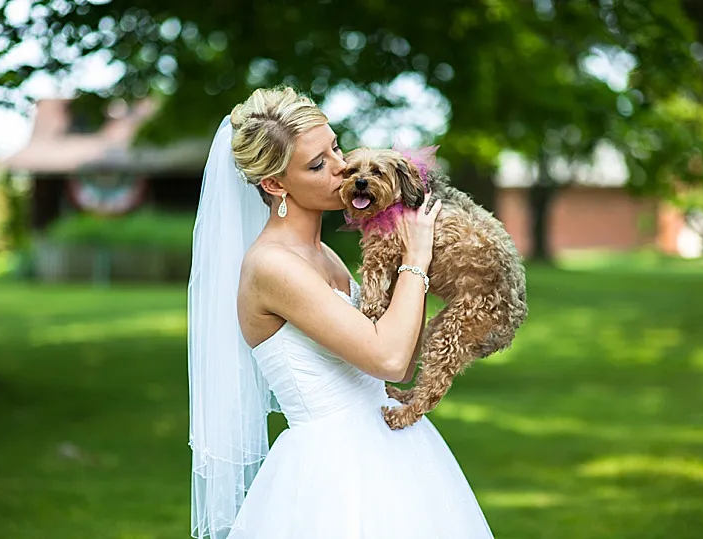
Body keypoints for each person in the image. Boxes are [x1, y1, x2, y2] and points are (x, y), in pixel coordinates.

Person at [188, 86, 495, 539]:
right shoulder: (273, 266)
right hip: (336, 473)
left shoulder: (326, 255)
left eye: (335, 146)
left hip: (397, 447)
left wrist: (423, 264)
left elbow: (401, 365)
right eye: (317, 164)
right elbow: (387, 357)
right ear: (274, 185)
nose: (341, 167)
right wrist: (416, 259)